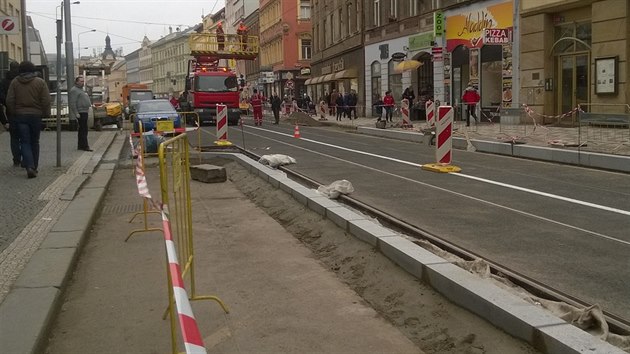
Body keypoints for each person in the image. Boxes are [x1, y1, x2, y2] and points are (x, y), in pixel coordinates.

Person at [6, 60, 50, 179]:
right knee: (35, 142)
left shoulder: (15, 82)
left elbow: (9, 100)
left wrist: (14, 113)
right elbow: (46, 100)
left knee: (24, 142)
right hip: (35, 116)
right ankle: (34, 167)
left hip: (20, 116)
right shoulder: (40, 82)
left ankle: (29, 166)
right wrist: (46, 114)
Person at [1, 61, 21, 166]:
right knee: (25, 137)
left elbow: (1, 96)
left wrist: (8, 104)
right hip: (23, 111)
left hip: (11, 112)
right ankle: (26, 157)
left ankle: (16, 159)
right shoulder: (21, 80)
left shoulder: (4, 81)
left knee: (14, 137)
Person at [68, 76, 93, 151]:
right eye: (81, 81)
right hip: (80, 111)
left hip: (85, 110)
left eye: (83, 81)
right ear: (77, 82)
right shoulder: (74, 90)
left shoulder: (81, 90)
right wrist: (76, 113)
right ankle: (85, 146)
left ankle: (81, 145)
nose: (83, 83)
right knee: (83, 129)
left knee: (83, 129)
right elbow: (72, 102)